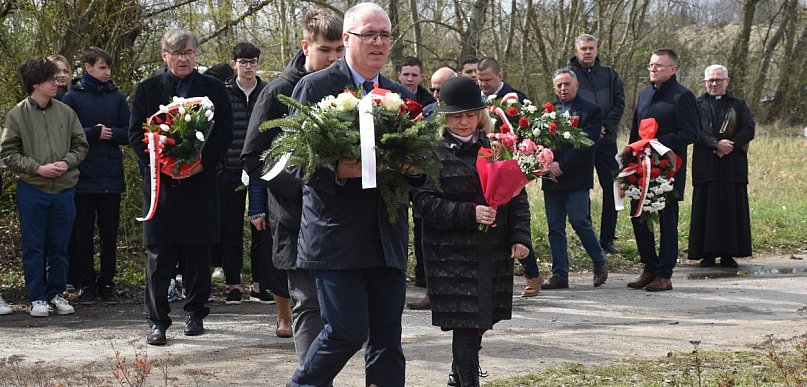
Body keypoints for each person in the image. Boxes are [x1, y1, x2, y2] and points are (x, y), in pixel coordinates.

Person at [287, 3, 419, 385]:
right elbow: (292, 162)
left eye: (385, 35)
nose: (378, 42)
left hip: (386, 235)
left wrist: (414, 169)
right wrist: (339, 170)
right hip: (336, 236)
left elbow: (424, 162)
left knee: (387, 341)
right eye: (369, 34)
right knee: (346, 331)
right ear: (347, 39)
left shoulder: (398, 95)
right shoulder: (316, 87)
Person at [412, 76, 532, 387]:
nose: (464, 122)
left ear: (480, 115)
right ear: (444, 117)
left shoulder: (497, 148)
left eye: (470, 115)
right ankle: (467, 381)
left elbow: (517, 195)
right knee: (466, 323)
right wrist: (468, 213)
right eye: (456, 116)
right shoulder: (431, 151)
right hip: (449, 254)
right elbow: (424, 201)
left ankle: (457, 374)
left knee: (481, 320)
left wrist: (520, 237)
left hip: (491, 250)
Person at [241, 7, 345, 359]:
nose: (333, 59)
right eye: (325, 51)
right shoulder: (277, 92)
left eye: (338, 51)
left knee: (340, 311)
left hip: (342, 217)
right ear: (305, 46)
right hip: (295, 216)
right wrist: (298, 187)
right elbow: (253, 157)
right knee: (308, 305)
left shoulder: (350, 91)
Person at [128, 29, 233, 345]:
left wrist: (200, 164)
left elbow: (224, 134)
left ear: (196, 55)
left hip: (199, 183)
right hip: (162, 185)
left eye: (189, 52)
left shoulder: (213, 88)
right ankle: (157, 321)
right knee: (160, 255)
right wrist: (163, 164)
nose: (183, 58)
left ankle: (196, 313)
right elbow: (135, 135)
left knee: (198, 252)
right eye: (177, 52)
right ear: (165, 56)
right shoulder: (147, 90)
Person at [0, 57, 88, 317]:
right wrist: (37, 168)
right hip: (32, 189)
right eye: (51, 78)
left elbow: (81, 145)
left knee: (59, 246)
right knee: (34, 246)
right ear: (36, 83)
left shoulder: (66, 111)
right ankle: (37, 298)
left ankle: (56, 293)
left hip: (64, 188)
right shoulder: (17, 115)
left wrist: (66, 162)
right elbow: (8, 153)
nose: (57, 81)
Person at [62, 47, 130, 305]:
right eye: (102, 67)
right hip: (82, 176)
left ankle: (108, 282)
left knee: (109, 233)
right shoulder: (72, 97)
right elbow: (68, 133)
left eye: (108, 68)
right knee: (82, 233)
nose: (107, 72)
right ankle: (87, 283)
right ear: (88, 67)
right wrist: (92, 133)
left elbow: (132, 131)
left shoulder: (117, 97)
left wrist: (112, 133)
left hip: (111, 176)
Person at [626, 48, 698, 292]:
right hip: (641, 168)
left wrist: (657, 143)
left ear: (673, 69)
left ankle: (665, 274)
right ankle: (649, 267)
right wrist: (632, 155)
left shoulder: (682, 96)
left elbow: (690, 133)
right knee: (639, 218)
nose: (653, 69)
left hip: (668, 169)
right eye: (650, 65)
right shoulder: (645, 93)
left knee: (667, 221)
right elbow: (636, 130)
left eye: (658, 65)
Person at [474, 57, 541, 297]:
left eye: (488, 80)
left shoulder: (516, 99)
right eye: (479, 80)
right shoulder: (477, 98)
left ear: (500, 76)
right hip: (485, 163)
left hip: (512, 167)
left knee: (514, 220)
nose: (483, 85)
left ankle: (532, 274)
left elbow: (528, 132)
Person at [539, 68, 608, 290]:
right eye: (559, 85)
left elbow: (588, 144)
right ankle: (560, 274)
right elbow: (541, 141)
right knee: (555, 227)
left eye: (566, 84)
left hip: (576, 175)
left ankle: (599, 261)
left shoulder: (591, 110)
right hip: (551, 177)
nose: (563, 88)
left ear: (576, 85)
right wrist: (546, 165)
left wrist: (563, 165)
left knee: (579, 220)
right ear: (553, 88)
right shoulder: (549, 111)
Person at [210, 42, 268, 305]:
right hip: (229, 169)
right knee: (230, 228)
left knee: (261, 227)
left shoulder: (267, 92)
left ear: (258, 63)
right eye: (243, 62)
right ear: (234, 64)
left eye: (252, 61)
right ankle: (233, 283)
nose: (248, 66)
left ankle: (259, 284)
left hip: (260, 169)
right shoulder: (223, 91)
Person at [688, 64, 755, 268]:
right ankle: (706, 254)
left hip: (731, 165)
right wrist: (715, 144)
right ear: (705, 82)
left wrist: (730, 146)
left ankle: (729, 254)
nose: (714, 84)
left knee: (731, 208)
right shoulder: (696, 104)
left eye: (718, 80)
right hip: (706, 165)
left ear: (727, 81)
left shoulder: (738, 104)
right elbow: (693, 130)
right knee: (706, 209)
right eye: (710, 80)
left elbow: (749, 128)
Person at [568, 33, 625, 255]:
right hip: (579, 141)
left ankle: (608, 239)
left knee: (613, 188)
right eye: (583, 48)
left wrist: (603, 126)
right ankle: (587, 238)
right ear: (576, 51)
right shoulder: (568, 75)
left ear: (597, 50)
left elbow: (619, 104)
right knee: (583, 189)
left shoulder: (610, 75)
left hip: (607, 141)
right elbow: (567, 105)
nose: (588, 52)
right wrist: (589, 128)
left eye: (591, 48)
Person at [407, 67, 457, 311]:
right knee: (425, 240)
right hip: (427, 189)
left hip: (456, 190)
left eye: (441, 89)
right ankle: (431, 289)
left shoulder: (466, 114)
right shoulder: (426, 113)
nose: (435, 94)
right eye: (434, 88)